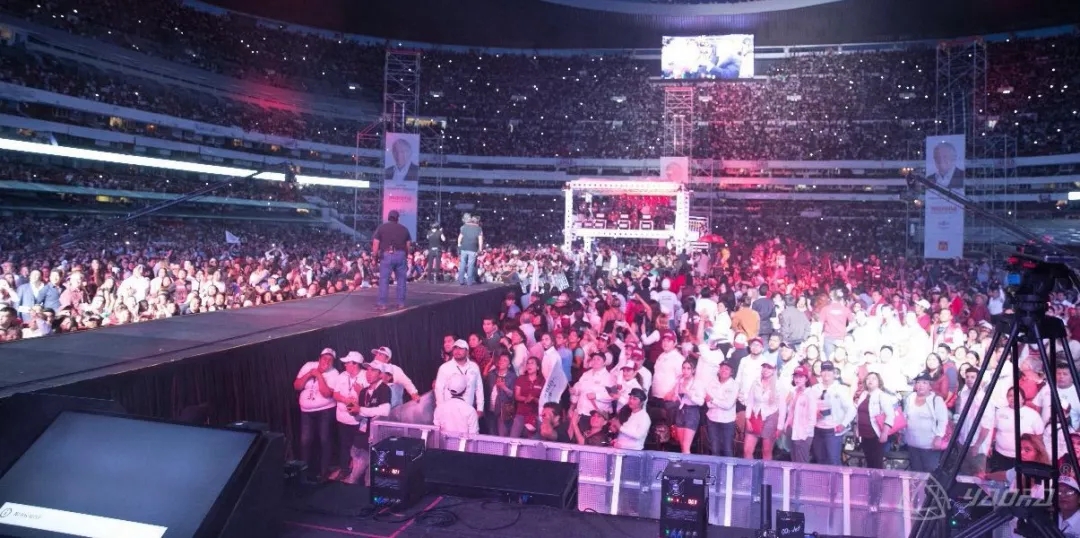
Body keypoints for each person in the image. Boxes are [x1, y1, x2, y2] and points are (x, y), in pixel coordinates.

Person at [293, 347, 340, 482]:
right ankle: (304, 471)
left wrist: (319, 376)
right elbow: (297, 386)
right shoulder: (308, 366)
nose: (327, 362)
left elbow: (327, 394)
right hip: (306, 411)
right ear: (319, 358)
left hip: (325, 410)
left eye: (330, 360)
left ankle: (324, 472)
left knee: (325, 439)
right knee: (305, 441)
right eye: (324, 358)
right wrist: (309, 374)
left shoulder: (334, 373)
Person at [372, 209, 412, 310]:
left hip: (387, 255)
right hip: (401, 255)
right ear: (398, 218)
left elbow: (376, 243)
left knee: (384, 280)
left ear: (388, 217)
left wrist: (374, 257)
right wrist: (406, 255)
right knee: (401, 280)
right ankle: (401, 303)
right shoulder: (404, 229)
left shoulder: (382, 228)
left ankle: (382, 304)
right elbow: (408, 245)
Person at [457, 215, 483, 286]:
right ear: (477, 221)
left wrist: (459, 245)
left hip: (464, 248)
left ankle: (461, 280)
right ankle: (469, 282)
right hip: (473, 249)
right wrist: (480, 249)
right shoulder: (479, 228)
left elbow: (460, 237)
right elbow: (480, 240)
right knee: (470, 265)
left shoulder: (464, 227)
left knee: (462, 264)